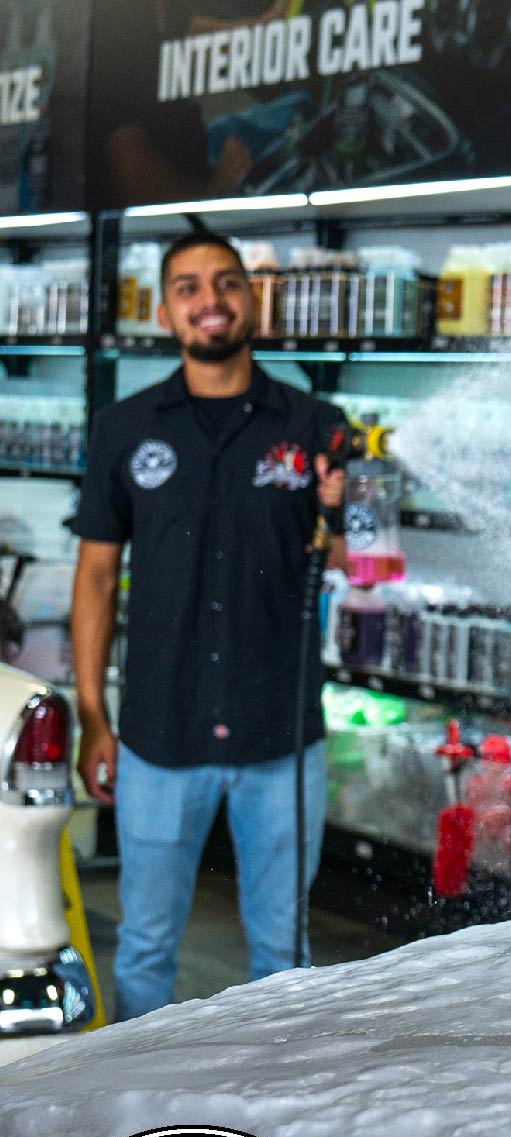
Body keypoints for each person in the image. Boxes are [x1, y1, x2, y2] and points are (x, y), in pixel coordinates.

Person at [70, 231, 347, 1022]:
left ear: (252, 301)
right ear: (164, 312)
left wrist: (343, 510)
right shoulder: (123, 428)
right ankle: (135, 1091)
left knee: (283, 953)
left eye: (226, 283)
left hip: (280, 737)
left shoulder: (314, 425)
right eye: (188, 288)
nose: (210, 300)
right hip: (160, 734)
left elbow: (356, 564)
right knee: (146, 946)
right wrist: (93, 716)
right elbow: (95, 577)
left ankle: (279, 1087)